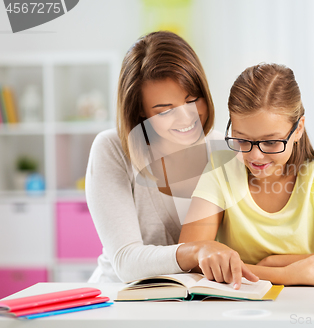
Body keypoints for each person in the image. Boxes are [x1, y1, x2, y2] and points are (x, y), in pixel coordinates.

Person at [85, 31, 257, 289]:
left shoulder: (226, 151)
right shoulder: (113, 149)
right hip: (118, 297)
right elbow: (125, 261)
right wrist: (195, 251)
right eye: (165, 111)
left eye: (192, 99)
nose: (187, 118)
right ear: (140, 111)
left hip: (193, 299)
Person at [179, 63, 314, 285]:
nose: (256, 156)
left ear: (298, 128)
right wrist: (282, 274)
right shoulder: (221, 168)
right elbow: (189, 257)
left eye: (271, 142)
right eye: (242, 139)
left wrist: (271, 263)